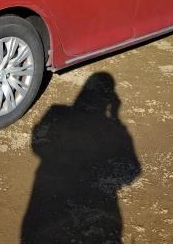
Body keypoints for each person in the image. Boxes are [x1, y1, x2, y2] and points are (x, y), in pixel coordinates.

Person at [21, 72, 141, 243]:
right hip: (93, 203)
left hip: (49, 192)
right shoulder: (114, 128)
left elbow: (37, 144)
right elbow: (134, 170)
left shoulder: (57, 112)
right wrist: (115, 116)